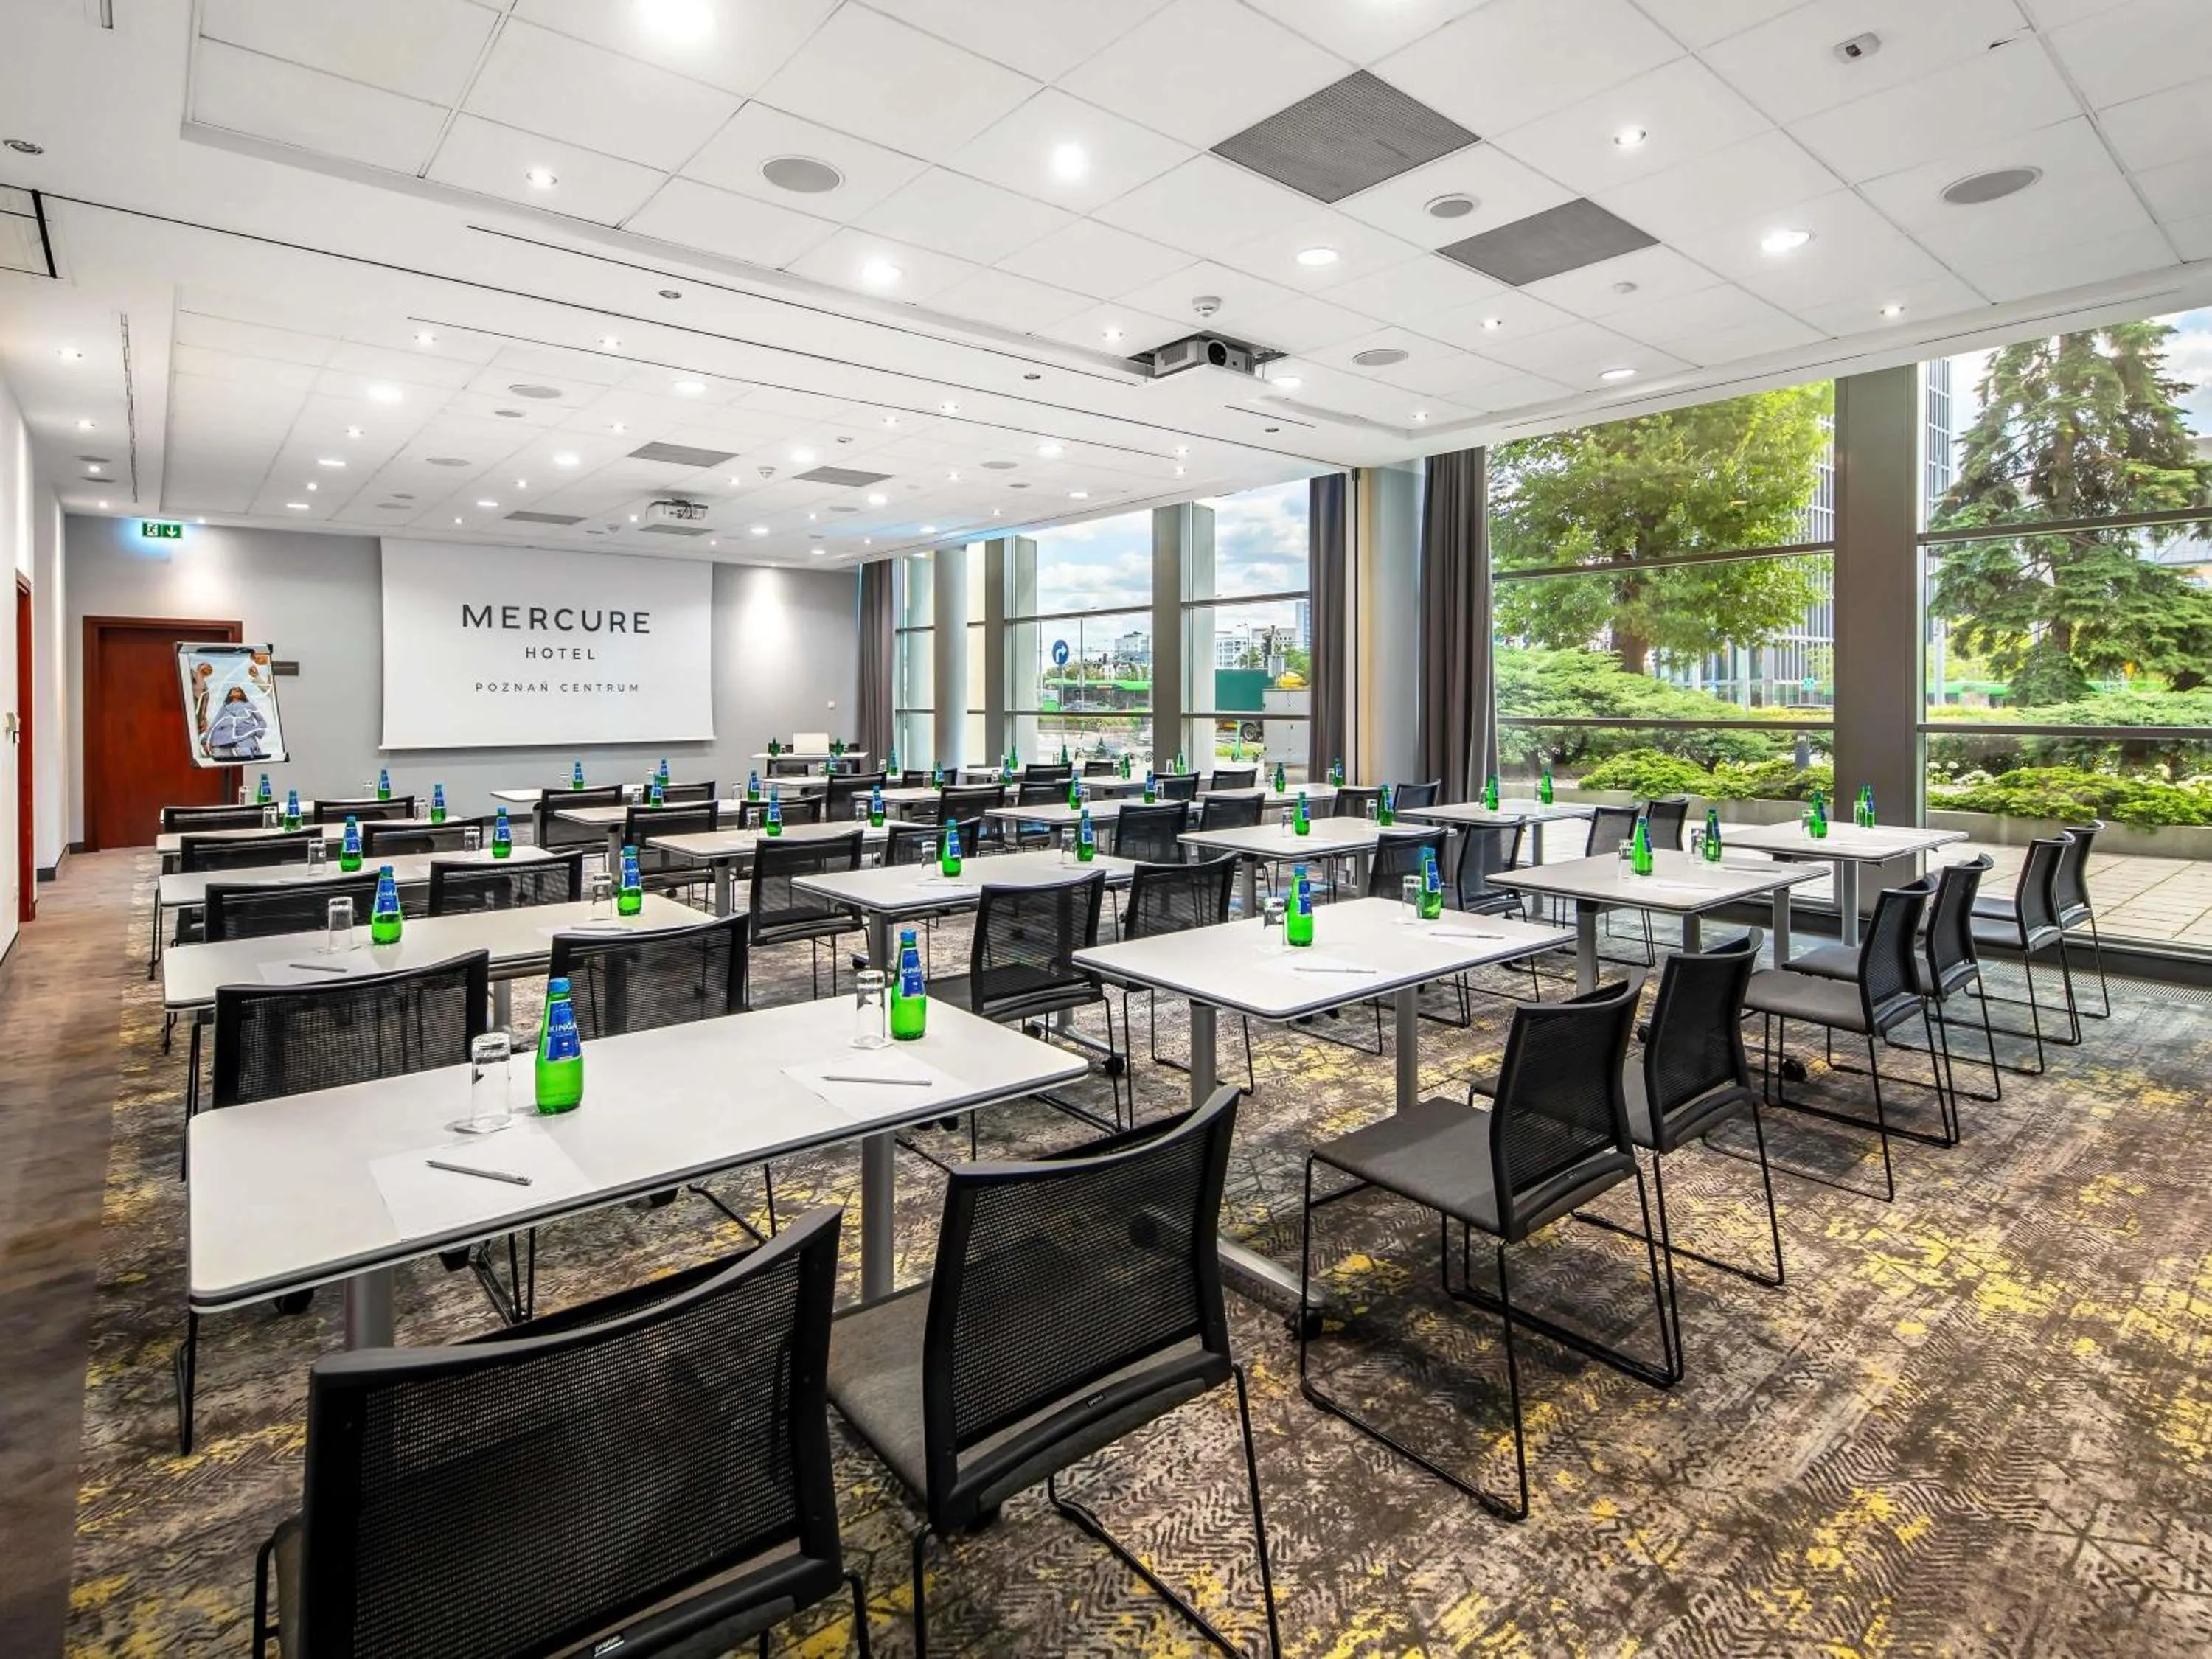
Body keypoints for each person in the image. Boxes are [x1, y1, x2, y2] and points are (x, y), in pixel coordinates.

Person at [204, 685, 267, 760]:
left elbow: (261, 721)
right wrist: (205, 740)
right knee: (223, 761)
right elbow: (215, 722)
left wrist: (257, 730)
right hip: (222, 737)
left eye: (239, 690)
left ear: (242, 694)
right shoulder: (225, 707)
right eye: (234, 689)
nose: (237, 689)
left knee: (251, 758)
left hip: (245, 735)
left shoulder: (249, 706)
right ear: (230, 694)